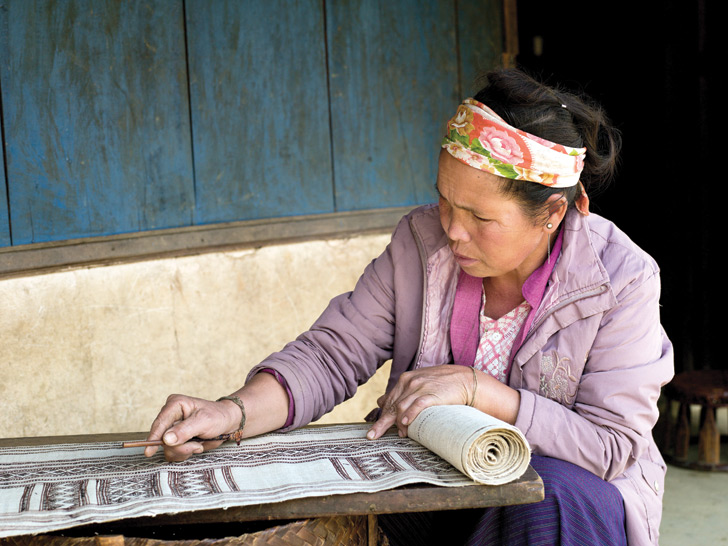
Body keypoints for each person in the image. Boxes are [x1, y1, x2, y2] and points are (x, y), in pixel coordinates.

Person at [144, 68, 674, 545]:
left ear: (552, 213)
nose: (452, 229)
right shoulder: (420, 241)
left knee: (549, 495)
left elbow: (609, 446)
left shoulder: (621, 279)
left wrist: (479, 391)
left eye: (479, 217)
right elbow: (333, 354)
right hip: (438, 482)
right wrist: (232, 411)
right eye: (444, 200)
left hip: (556, 511)